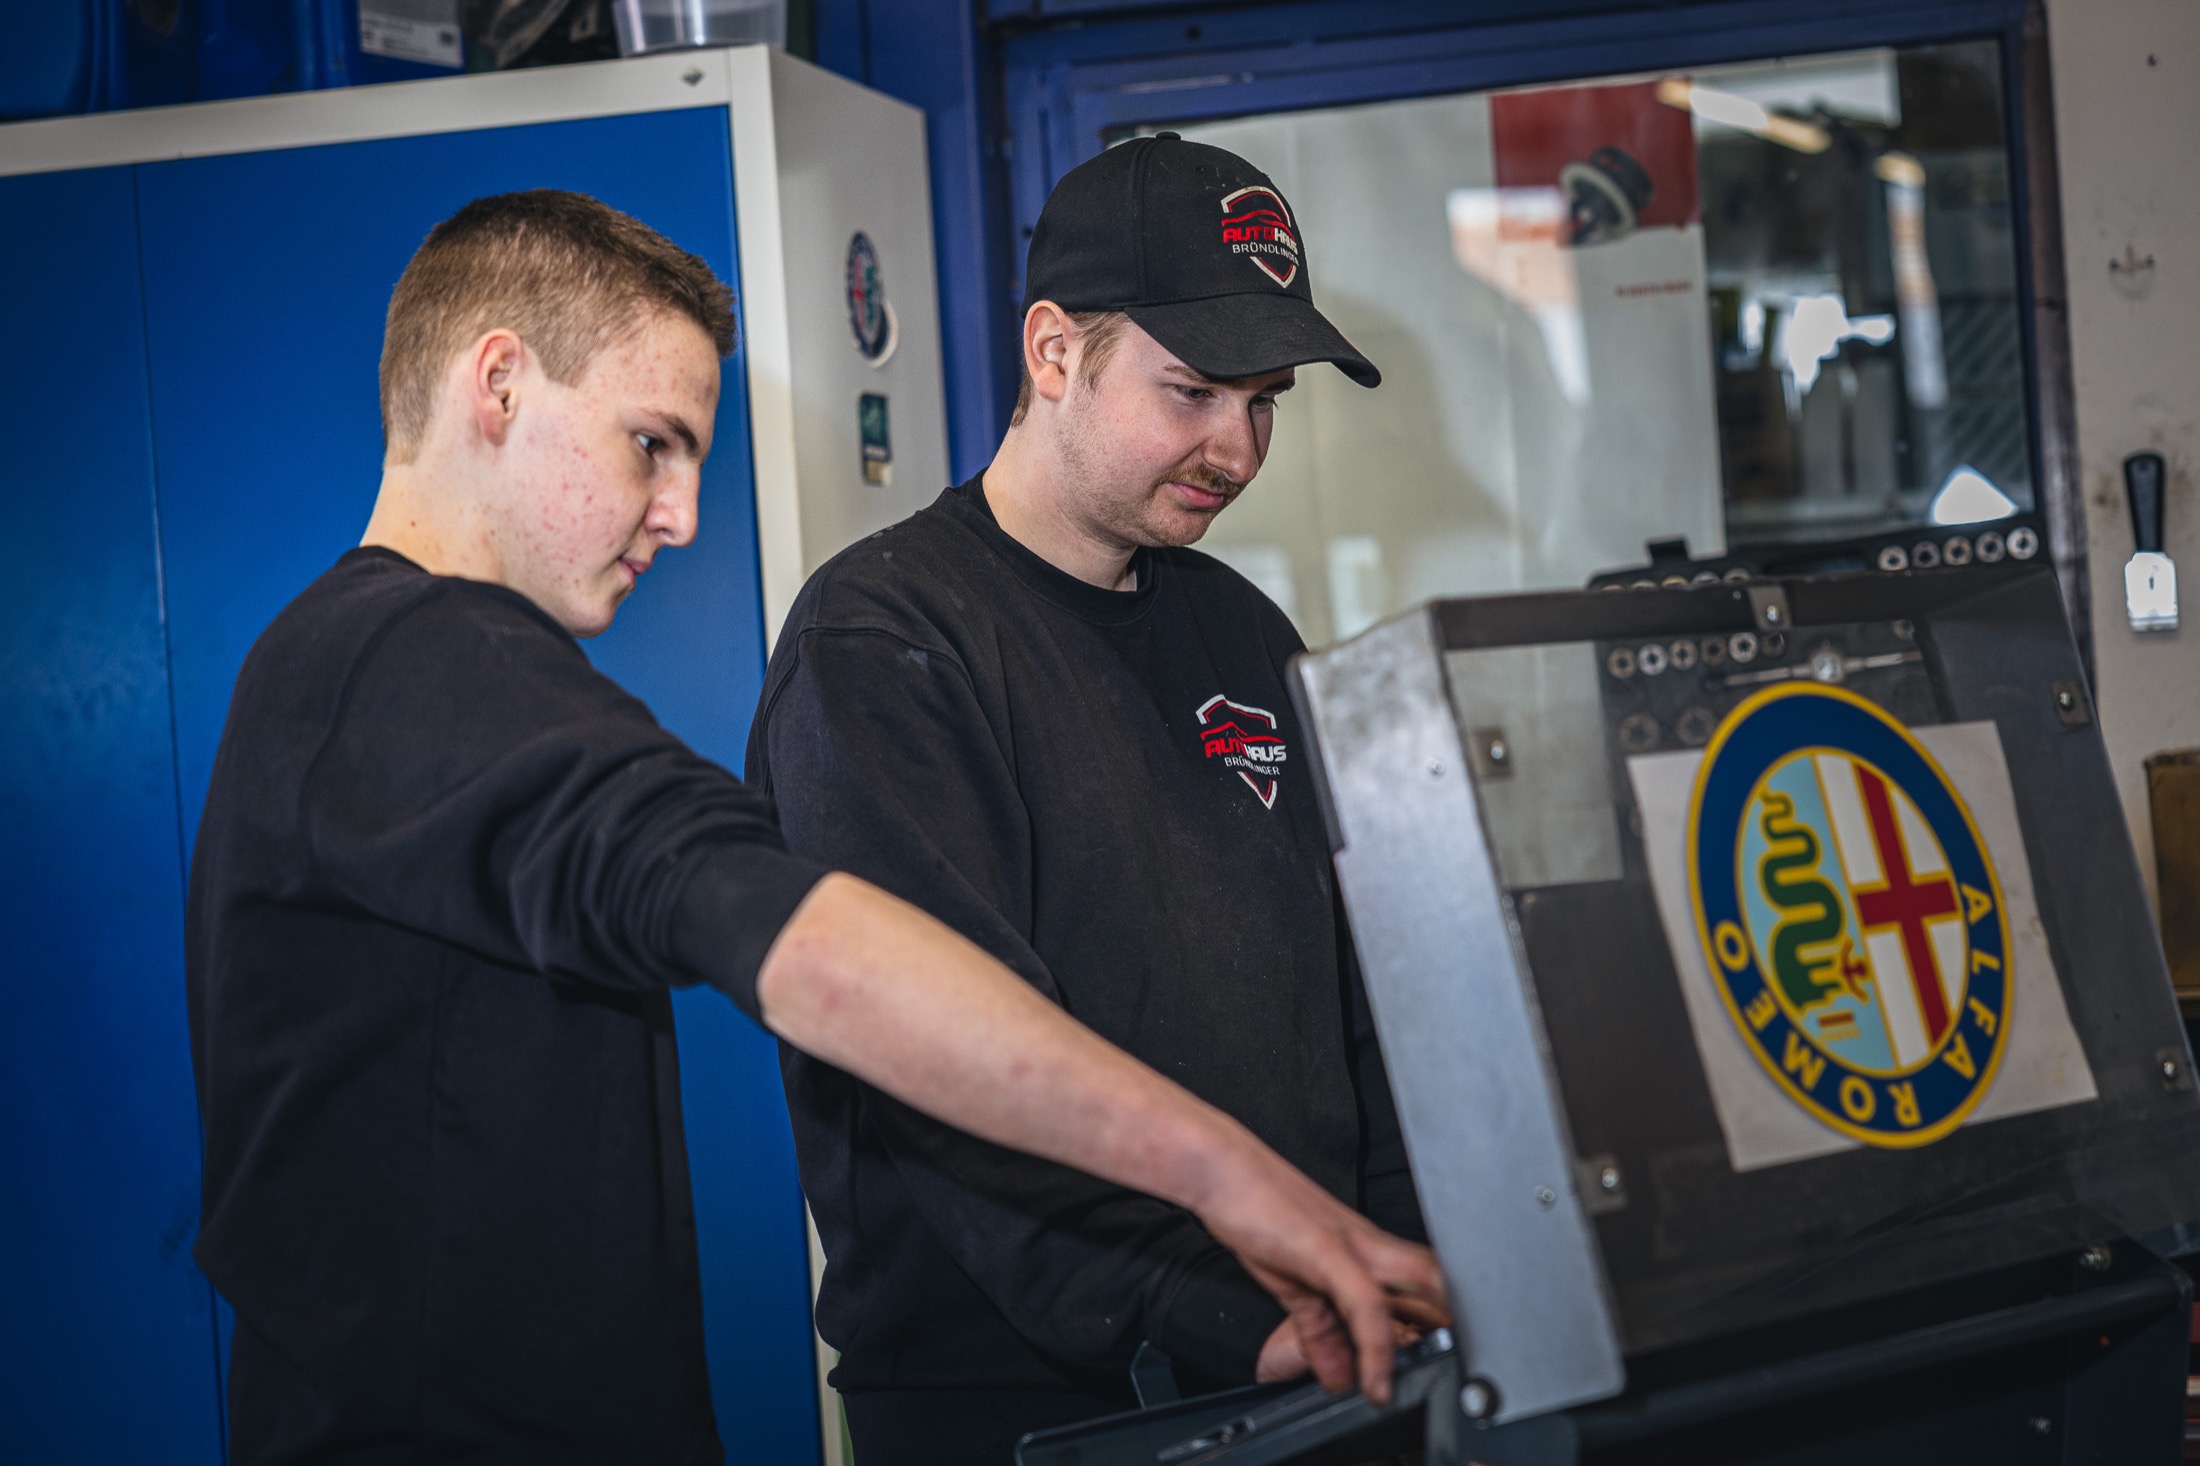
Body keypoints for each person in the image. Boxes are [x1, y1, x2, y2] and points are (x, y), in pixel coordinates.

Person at [184, 189, 1442, 1466]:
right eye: (649, 444)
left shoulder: (383, 673)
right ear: (497, 383)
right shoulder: (405, 658)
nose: (678, 515)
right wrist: (1231, 1187)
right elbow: (802, 934)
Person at [747, 136, 1430, 1463]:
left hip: (1314, 1366)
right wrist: (1234, 1313)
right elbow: (939, 1072)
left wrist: (1403, 1256)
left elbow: (1365, 1004)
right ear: (1053, 353)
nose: (1236, 447)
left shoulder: (1245, 633)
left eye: (1266, 401)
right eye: (1190, 392)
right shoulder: (886, 640)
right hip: (1033, 1403)